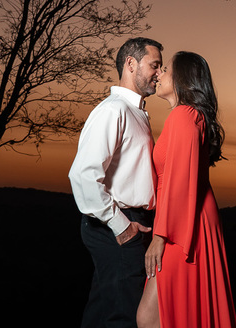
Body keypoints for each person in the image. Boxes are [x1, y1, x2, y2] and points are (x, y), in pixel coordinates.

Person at [137, 51, 236, 328]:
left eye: (166, 70)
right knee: (161, 315)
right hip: (189, 219)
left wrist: (160, 236)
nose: (159, 74)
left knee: (149, 317)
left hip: (182, 225)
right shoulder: (191, 116)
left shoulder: (184, 115)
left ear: (182, 79)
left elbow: (180, 181)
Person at [70, 37, 164, 328]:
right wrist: (122, 227)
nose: (159, 73)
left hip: (131, 222)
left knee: (103, 310)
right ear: (131, 64)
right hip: (117, 225)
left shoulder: (136, 112)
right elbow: (84, 175)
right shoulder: (113, 110)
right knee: (123, 315)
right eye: (154, 65)